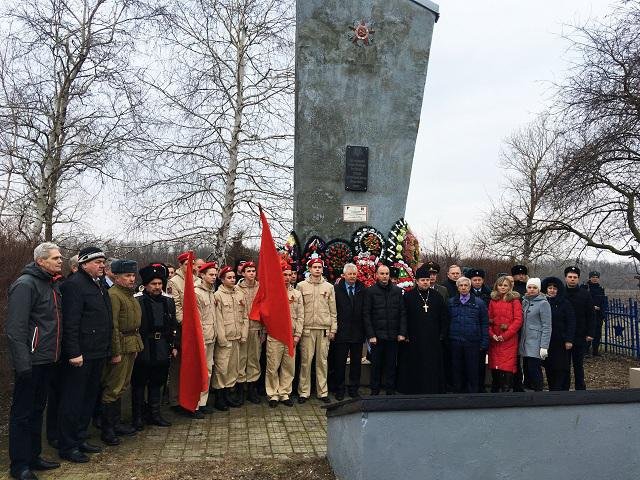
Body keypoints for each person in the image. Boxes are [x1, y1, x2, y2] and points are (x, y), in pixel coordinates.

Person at [7, 242, 63, 480]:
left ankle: (33, 456)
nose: (61, 260)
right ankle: (19, 465)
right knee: (22, 414)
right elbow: (15, 329)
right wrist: (23, 364)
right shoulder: (25, 284)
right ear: (41, 261)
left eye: (60, 257)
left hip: (48, 359)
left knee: (38, 410)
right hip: (30, 362)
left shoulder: (51, 284)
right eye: (56, 258)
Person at [58, 246, 112, 463]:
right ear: (84, 264)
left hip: (98, 351)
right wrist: (74, 352)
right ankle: (68, 445)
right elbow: (70, 322)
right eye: (98, 262)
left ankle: (80, 438)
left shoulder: (98, 284)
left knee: (89, 398)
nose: (102, 265)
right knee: (73, 400)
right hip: (81, 355)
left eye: (103, 262)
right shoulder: (74, 285)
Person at [100, 259, 143, 445]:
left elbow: (134, 324)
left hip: (131, 344)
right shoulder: (114, 295)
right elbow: (114, 326)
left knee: (123, 385)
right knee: (113, 387)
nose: (132, 278)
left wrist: (137, 345)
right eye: (127, 275)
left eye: (133, 275)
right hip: (121, 346)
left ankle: (116, 424)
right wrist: (115, 352)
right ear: (116, 277)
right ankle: (108, 429)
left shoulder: (129, 295)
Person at [131, 263, 178, 429]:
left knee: (157, 382)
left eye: (160, 284)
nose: (157, 287)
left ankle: (155, 414)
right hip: (143, 346)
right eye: (154, 284)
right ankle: (137, 417)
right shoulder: (137, 301)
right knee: (139, 383)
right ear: (146, 284)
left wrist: (173, 345)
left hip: (162, 346)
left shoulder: (168, 302)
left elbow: (172, 324)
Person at [397, 264, 448, 394]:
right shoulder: (408, 297)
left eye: (427, 280)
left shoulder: (437, 296)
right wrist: (405, 334)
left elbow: (444, 317)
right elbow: (404, 316)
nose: (425, 282)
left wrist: (442, 333)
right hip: (414, 338)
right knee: (415, 364)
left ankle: (433, 389)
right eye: (423, 280)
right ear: (417, 281)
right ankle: (414, 389)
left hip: (433, 338)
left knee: (431, 365)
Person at [296, 257, 337, 403]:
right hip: (307, 329)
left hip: (324, 329)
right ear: (310, 269)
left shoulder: (329, 287)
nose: (317, 269)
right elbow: (298, 310)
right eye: (315, 267)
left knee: (322, 361)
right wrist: (298, 330)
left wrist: (333, 329)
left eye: (320, 267)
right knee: (306, 361)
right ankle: (304, 392)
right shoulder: (301, 286)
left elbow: (333, 310)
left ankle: (323, 392)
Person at [363, 264, 407, 395]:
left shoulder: (397, 291)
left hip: (393, 336)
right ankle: (374, 391)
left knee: (391, 365)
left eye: (387, 274)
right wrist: (371, 335)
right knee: (376, 365)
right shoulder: (370, 291)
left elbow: (402, 313)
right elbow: (366, 314)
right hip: (377, 337)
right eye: (382, 273)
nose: (384, 276)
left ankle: (390, 391)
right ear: (376, 275)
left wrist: (402, 333)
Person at [265, 262, 304, 407]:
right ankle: (273, 394)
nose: (287, 277)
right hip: (275, 335)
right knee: (272, 366)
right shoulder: (272, 293)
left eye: (290, 275)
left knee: (289, 366)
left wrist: (297, 335)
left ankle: (284, 392)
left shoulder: (297, 294)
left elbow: (301, 316)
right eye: (284, 275)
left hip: (291, 335)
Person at [212, 266, 248, 410]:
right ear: (222, 279)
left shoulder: (239, 294)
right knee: (222, 368)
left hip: (237, 337)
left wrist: (243, 334)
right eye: (229, 277)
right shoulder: (218, 295)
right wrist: (222, 339)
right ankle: (219, 398)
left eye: (234, 277)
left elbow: (245, 316)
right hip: (225, 339)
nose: (232, 280)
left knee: (233, 368)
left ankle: (228, 395)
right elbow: (218, 320)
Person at [447, 277, 488, 393]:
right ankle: (457, 391)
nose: (463, 288)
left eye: (466, 285)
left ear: (470, 287)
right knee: (456, 368)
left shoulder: (479, 303)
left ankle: (473, 392)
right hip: (455, 341)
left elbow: (484, 323)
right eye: (461, 285)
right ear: (457, 287)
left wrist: (484, 342)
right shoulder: (451, 302)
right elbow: (447, 321)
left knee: (472, 369)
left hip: (473, 341)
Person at [333, 263, 366, 400]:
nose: (352, 276)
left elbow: (365, 310)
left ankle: (354, 389)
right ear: (344, 275)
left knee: (356, 363)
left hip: (357, 332)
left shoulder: (362, 289)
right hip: (341, 332)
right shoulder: (336, 289)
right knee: (339, 363)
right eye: (349, 274)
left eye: (354, 274)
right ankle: (339, 389)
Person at [194, 262, 222, 417]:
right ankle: (195, 403)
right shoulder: (197, 293)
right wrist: (200, 338)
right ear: (202, 275)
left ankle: (203, 402)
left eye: (214, 274)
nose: (213, 277)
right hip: (202, 338)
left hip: (211, 336)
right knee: (200, 371)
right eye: (210, 274)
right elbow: (196, 319)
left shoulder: (211, 292)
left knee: (208, 371)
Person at [166, 251, 193, 410]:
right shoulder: (174, 282)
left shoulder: (197, 280)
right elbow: (175, 306)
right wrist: (186, 323)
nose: (189, 267)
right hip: (182, 328)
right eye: (186, 264)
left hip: (196, 329)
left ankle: (190, 396)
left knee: (191, 364)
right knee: (177, 366)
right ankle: (175, 399)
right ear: (180, 265)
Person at [487, 276, 522, 392]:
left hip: (509, 340)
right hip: (495, 340)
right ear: (496, 286)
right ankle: (495, 391)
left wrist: (505, 335)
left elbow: (518, 320)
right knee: (495, 367)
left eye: (505, 285)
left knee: (507, 367)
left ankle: (507, 391)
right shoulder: (493, 300)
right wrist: (492, 334)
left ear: (510, 287)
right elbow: (489, 320)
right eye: (500, 285)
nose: (502, 287)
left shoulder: (515, 301)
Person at [563, 266, 595, 390]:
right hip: (564, 335)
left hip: (580, 335)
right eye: (570, 277)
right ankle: (564, 389)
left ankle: (580, 389)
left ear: (578, 279)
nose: (572, 279)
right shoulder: (561, 293)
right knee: (564, 365)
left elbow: (591, 315)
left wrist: (590, 333)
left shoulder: (585, 294)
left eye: (574, 277)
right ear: (565, 278)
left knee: (578, 365)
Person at [541, 277, 575, 391]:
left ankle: (560, 390)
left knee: (561, 367)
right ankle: (552, 390)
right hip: (547, 341)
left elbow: (571, 322)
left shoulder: (565, 303)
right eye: (549, 288)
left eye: (554, 288)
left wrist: (569, 340)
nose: (552, 290)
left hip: (561, 341)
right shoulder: (542, 302)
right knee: (549, 367)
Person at [237, 261, 263, 404]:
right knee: (241, 359)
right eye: (248, 271)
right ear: (243, 273)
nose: (251, 273)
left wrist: (263, 330)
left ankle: (252, 390)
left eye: (253, 270)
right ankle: (241, 390)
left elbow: (265, 310)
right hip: (242, 330)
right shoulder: (237, 288)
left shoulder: (261, 288)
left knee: (254, 359)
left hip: (256, 328)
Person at [519, 278, 552, 392]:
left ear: (539, 289)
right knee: (526, 368)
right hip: (525, 340)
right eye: (529, 287)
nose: (531, 290)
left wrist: (544, 346)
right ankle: (527, 391)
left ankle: (538, 392)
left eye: (534, 288)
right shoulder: (525, 301)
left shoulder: (544, 303)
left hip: (536, 342)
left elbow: (547, 326)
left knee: (534, 369)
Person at [468, 268, 491, 391]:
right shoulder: (466, 293)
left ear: (483, 280)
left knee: (482, 362)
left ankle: (481, 386)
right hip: (470, 331)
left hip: (483, 330)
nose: (477, 282)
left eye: (479, 280)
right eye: (474, 280)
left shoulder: (489, 293)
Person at [582, 271, 606, 356]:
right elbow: (582, 300)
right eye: (593, 277)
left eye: (596, 277)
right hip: (588, 314)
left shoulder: (601, 288)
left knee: (597, 333)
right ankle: (585, 351)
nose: (595, 278)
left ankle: (595, 351)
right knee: (587, 332)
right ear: (589, 278)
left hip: (598, 315)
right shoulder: (585, 287)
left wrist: (602, 312)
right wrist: (591, 307)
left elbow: (603, 301)